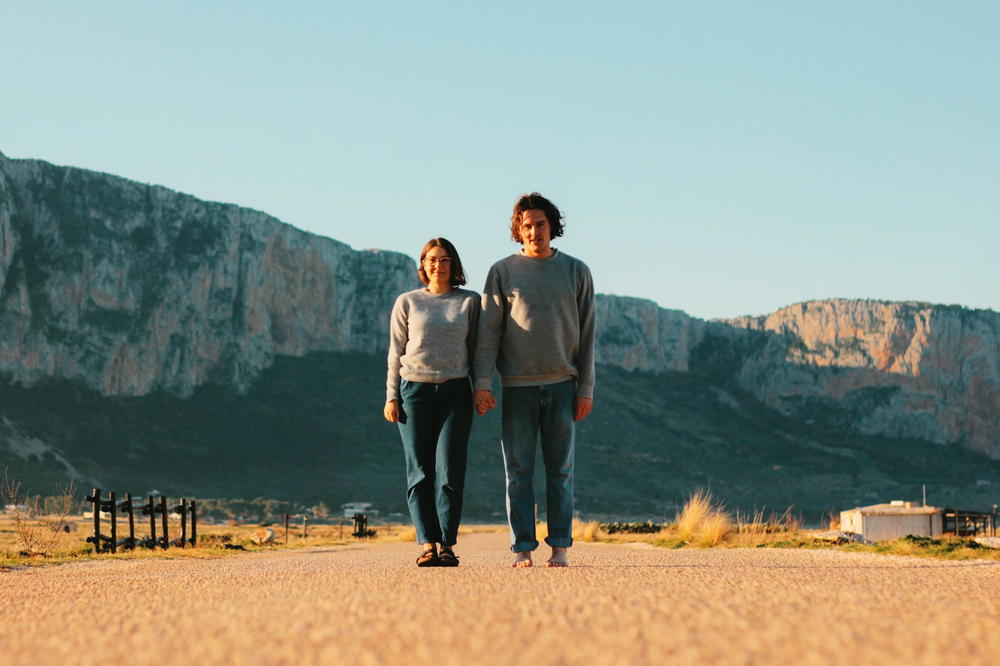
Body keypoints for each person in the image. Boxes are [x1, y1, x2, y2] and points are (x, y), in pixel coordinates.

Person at [473, 192, 596, 568]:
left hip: (563, 384)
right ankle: (522, 548)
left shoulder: (576, 271)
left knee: (560, 471)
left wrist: (585, 388)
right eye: (526, 225)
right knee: (518, 472)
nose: (534, 231)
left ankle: (560, 547)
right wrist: (482, 382)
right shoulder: (502, 272)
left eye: (540, 224)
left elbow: (588, 332)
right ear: (518, 229)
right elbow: (488, 332)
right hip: (517, 387)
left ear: (552, 227)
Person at [384, 238, 479, 567]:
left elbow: (480, 351)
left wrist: (481, 388)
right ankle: (428, 543)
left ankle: (448, 544)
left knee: (451, 471)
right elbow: (396, 353)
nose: (438, 265)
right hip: (414, 392)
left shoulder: (470, 302)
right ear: (422, 265)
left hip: (456, 391)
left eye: (445, 260)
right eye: (432, 260)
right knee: (420, 472)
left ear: (454, 265)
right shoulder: (408, 302)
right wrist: (391, 396)